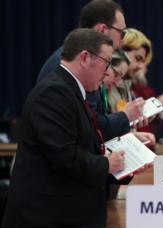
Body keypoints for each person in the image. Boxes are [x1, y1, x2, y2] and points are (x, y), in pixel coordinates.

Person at [2, 29, 125, 228]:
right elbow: (63, 156)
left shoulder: (69, 88)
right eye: (106, 63)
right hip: (42, 226)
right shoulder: (54, 91)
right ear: (85, 57)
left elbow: (84, 140)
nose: (108, 72)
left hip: (56, 218)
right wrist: (106, 164)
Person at [36, 0, 146, 139]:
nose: (122, 40)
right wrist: (125, 116)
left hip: (79, 157)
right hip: (64, 158)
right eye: (121, 33)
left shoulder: (82, 61)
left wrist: (128, 135)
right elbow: (87, 129)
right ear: (102, 30)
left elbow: (93, 125)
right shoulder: (69, 66)